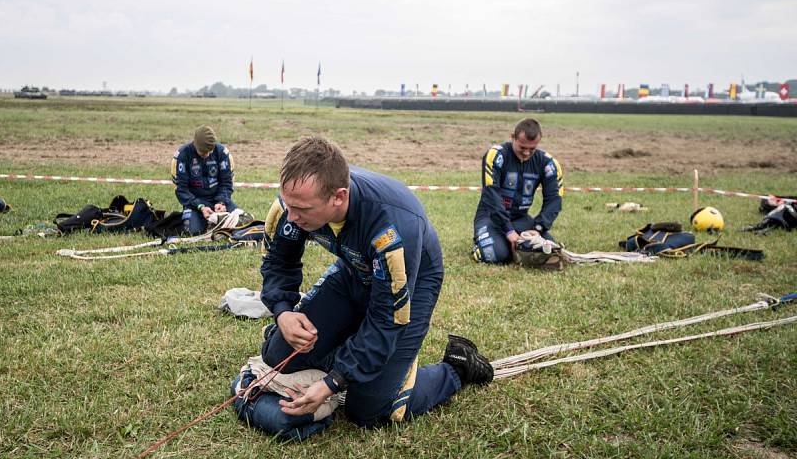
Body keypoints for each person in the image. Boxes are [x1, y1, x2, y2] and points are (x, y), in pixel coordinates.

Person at [230, 136, 493, 440]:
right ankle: (348, 348)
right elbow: (278, 263)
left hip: (412, 284)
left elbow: (386, 318)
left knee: (370, 410)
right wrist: (283, 312)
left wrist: (333, 382)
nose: (291, 216)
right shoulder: (292, 205)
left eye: (301, 208)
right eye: (288, 204)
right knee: (278, 355)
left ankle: (457, 369)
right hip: (355, 271)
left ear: (338, 197)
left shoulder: (391, 230)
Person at [472, 118, 563, 264]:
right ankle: (485, 244)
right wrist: (508, 230)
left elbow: (554, 199)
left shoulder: (548, 163)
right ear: (512, 137)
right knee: (495, 255)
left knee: (548, 251)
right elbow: (491, 195)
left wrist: (538, 228)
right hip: (491, 218)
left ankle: (510, 244)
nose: (527, 153)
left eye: (532, 149)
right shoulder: (496, 155)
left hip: (521, 219)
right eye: (522, 147)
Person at [171, 125, 240, 234]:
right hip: (195, 205)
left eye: (210, 151)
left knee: (241, 223)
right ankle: (209, 222)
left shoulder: (222, 152)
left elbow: (227, 183)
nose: (207, 155)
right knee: (191, 231)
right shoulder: (183, 155)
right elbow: (181, 190)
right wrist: (200, 206)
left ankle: (217, 220)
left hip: (218, 201)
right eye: (203, 152)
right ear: (195, 145)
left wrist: (221, 202)